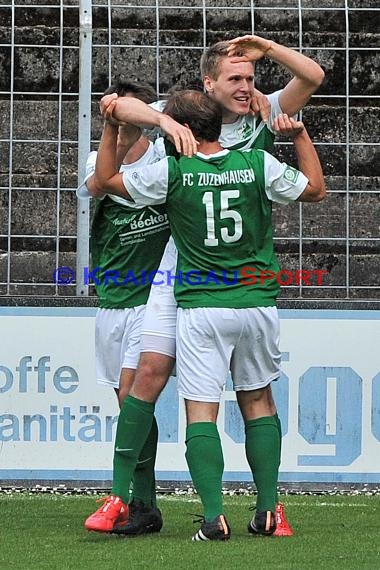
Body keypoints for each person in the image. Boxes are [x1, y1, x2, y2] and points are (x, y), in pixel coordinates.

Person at [95, 34, 325, 537]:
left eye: (251, 78)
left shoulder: (264, 112)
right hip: (185, 266)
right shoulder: (183, 113)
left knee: (232, 397)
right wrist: (161, 120)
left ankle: (238, 507)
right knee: (150, 372)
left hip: (217, 277)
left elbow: (312, 75)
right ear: (209, 85)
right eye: (236, 79)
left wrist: (266, 47)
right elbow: (118, 105)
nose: (247, 87)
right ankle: (126, 500)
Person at [77, 79, 180, 535]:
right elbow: (99, 183)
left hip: (154, 297)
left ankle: (141, 501)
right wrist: (111, 127)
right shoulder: (97, 161)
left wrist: (144, 112)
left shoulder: (164, 160)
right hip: (112, 301)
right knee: (125, 403)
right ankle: (141, 500)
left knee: (130, 394)